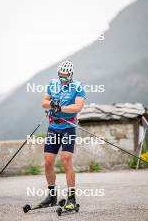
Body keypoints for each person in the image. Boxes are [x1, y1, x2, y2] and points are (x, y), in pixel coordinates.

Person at [41, 60, 86, 210]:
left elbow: (78, 107)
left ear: (71, 75)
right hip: (53, 127)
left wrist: (61, 107)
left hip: (68, 128)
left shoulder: (78, 86)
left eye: (66, 76)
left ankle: (71, 198)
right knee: (47, 162)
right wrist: (52, 104)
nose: (63, 79)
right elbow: (44, 103)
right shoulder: (52, 83)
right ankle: (52, 196)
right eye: (61, 76)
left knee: (66, 161)